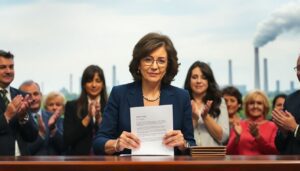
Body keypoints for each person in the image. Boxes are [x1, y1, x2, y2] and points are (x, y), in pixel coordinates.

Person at [93, 32, 195, 155]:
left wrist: (184, 144)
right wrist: (116, 144)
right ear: (138, 63)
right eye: (148, 59)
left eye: (161, 61)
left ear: (168, 65)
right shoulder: (119, 94)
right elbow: (98, 143)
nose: (154, 66)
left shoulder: (182, 97)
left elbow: (192, 144)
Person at [0, 50, 38, 156]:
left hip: (22, 162)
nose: (8, 71)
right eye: (2, 67)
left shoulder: (21, 95)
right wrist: (6, 116)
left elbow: (32, 136)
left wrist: (23, 117)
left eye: (11, 67)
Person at [64, 65, 108, 155]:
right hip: (79, 160)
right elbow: (67, 139)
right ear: (83, 84)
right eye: (89, 81)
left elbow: (114, 137)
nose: (94, 85)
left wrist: (99, 119)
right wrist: (88, 117)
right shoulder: (72, 106)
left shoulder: (111, 106)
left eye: (98, 81)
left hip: (106, 159)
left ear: (103, 84)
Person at [183, 61, 229, 146]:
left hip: (213, 157)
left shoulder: (219, 101)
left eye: (204, 77)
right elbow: (180, 137)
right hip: (188, 156)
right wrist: (194, 119)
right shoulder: (182, 101)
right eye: (194, 77)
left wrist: (205, 117)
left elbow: (223, 137)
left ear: (209, 81)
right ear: (189, 80)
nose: (199, 81)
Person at [19, 80, 64, 155]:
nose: (33, 98)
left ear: (41, 95)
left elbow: (64, 148)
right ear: (21, 98)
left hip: (54, 165)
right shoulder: (18, 120)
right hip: (28, 165)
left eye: (36, 94)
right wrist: (41, 135)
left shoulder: (55, 118)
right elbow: (23, 152)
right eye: (28, 95)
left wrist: (53, 130)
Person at [227, 90, 278, 155]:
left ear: (265, 106)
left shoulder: (273, 126)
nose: (255, 106)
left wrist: (258, 137)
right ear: (246, 106)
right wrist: (237, 137)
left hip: (265, 164)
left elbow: (274, 152)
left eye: (259, 103)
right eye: (251, 103)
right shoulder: (238, 125)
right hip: (241, 164)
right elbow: (228, 153)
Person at [273, 55, 300, 154]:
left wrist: (295, 128)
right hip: (289, 164)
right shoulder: (290, 99)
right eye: (298, 68)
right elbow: (280, 146)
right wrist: (283, 132)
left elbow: (293, 127)